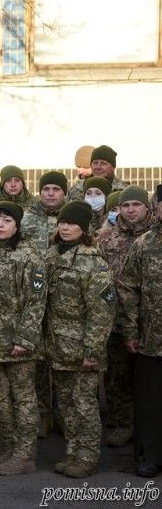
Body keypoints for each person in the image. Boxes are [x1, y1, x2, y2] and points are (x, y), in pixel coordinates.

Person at [44, 201, 114, 479]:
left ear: (84, 229)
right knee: (66, 405)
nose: (65, 227)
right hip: (58, 347)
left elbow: (102, 312)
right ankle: (73, 452)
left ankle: (87, 457)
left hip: (82, 348)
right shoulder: (52, 256)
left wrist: (92, 352)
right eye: (62, 222)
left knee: (84, 405)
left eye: (72, 223)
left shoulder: (92, 262)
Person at [0, 202, 46, 476]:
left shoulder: (29, 257)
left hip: (18, 344)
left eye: (7, 220)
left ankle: (26, 455)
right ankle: (11, 448)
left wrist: (25, 339)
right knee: (0, 401)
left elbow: (36, 302)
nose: (0, 225)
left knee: (24, 399)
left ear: (17, 226)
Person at [97, 186, 154, 449]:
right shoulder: (106, 239)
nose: (131, 210)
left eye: (136, 205)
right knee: (117, 376)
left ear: (147, 207)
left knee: (148, 379)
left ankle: (148, 426)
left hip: (152, 320)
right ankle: (123, 423)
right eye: (126, 205)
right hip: (116, 318)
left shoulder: (156, 236)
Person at [116, 185, 162, 478]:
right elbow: (128, 289)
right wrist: (131, 330)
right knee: (150, 403)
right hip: (153, 341)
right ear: (156, 207)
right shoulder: (144, 245)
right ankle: (150, 456)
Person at [20, 170, 69, 438]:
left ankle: (64, 413)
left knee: (62, 359)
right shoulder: (27, 219)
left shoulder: (74, 217)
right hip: (34, 298)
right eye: (46, 189)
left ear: (64, 192)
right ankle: (42, 414)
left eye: (56, 189)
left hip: (65, 300)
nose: (50, 193)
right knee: (37, 361)